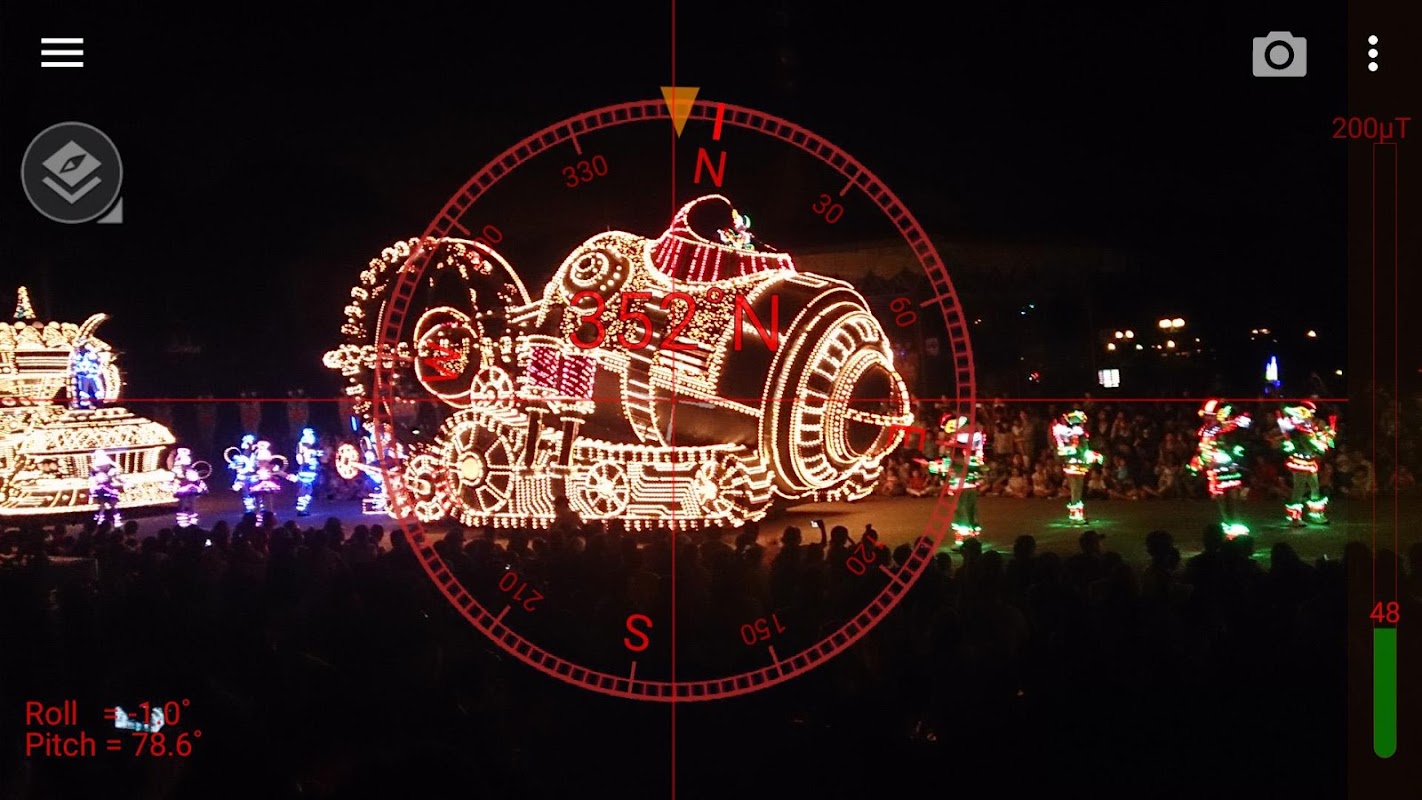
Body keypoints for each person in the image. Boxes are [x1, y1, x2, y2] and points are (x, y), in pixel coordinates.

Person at [1187, 399, 1252, 538]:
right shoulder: (1206, 431)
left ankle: (1236, 524)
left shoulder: (1226, 426)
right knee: (1221, 498)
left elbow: (1244, 423)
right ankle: (1228, 525)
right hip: (1215, 468)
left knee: (1233, 497)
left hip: (1229, 467)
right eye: (1207, 415)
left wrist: (1234, 409)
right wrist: (1198, 462)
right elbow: (1203, 449)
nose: (1208, 418)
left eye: (1211, 415)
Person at [919, 413, 984, 541]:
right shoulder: (956, 444)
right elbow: (948, 464)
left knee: (965, 508)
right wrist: (933, 466)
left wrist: (933, 466)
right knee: (963, 509)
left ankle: (969, 536)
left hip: (966, 482)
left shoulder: (969, 442)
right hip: (961, 482)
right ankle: (965, 537)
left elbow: (971, 462)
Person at [1276, 400, 1336, 526]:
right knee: (1299, 489)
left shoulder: (1309, 428)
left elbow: (1320, 440)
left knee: (1315, 487)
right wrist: (1323, 443)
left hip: (1310, 461)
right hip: (1300, 462)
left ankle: (1316, 514)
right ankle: (1294, 518)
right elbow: (1313, 445)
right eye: (1310, 412)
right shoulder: (1299, 430)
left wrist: (1327, 435)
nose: (1312, 415)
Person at [1052, 409, 1105, 525]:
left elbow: (1080, 450)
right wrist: (1092, 455)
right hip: (1074, 466)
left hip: (1078, 466)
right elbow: (1076, 450)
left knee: (1077, 490)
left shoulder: (1078, 435)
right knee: (1076, 490)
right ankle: (1075, 516)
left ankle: (1077, 515)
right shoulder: (1076, 436)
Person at [247, 440, 286, 525]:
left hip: (268, 486)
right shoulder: (254, 468)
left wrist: (288, 476)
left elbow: (279, 472)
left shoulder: (271, 467)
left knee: (269, 501)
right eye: (260, 461)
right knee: (258, 502)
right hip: (257, 486)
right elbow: (248, 473)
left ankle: (270, 517)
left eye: (265, 461)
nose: (263, 462)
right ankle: (258, 517)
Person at [292, 427, 326, 517]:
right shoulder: (305, 447)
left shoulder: (310, 449)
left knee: (308, 489)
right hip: (306, 470)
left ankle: (303, 507)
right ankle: (301, 508)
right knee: (305, 489)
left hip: (309, 470)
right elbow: (302, 459)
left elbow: (319, 454)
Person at [89, 448, 123, 527]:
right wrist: (92, 490)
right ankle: (100, 520)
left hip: (109, 490)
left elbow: (118, 478)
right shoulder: (94, 472)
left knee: (113, 506)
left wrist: (125, 482)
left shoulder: (111, 471)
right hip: (100, 491)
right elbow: (92, 481)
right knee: (102, 506)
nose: (103, 467)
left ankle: (116, 520)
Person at [226, 434, 258, 515]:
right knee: (246, 493)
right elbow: (234, 466)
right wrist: (233, 466)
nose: (249, 446)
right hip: (243, 477)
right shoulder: (239, 457)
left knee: (256, 492)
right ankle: (249, 509)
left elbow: (259, 464)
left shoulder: (255, 456)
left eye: (250, 444)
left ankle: (257, 508)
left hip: (254, 477)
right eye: (248, 444)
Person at [70, 341, 106, 409]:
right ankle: (85, 405)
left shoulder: (93, 354)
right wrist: (77, 371)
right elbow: (74, 365)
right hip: (83, 376)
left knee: (97, 390)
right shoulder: (77, 356)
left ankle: (99, 404)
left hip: (93, 375)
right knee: (84, 391)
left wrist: (98, 370)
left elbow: (99, 362)